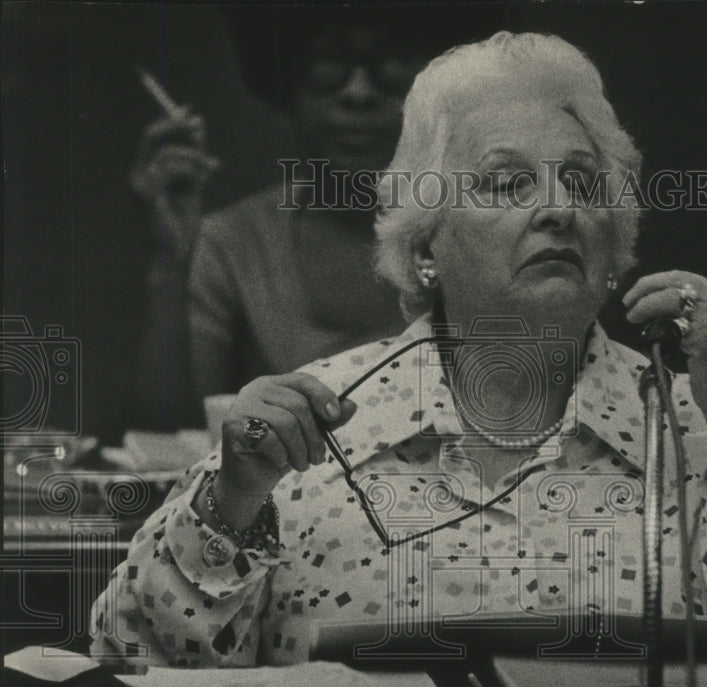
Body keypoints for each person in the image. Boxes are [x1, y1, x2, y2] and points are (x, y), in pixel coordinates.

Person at [93, 32, 707, 682]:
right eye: (508, 184)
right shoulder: (305, 432)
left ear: (614, 241)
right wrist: (228, 506)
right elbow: (132, 661)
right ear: (425, 243)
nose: (557, 208)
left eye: (581, 185)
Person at [129, 5, 500, 429]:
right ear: (288, 83)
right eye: (329, 61)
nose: (357, 92)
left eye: (393, 63)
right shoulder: (235, 243)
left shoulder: (487, 231)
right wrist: (170, 261)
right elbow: (166, 444)